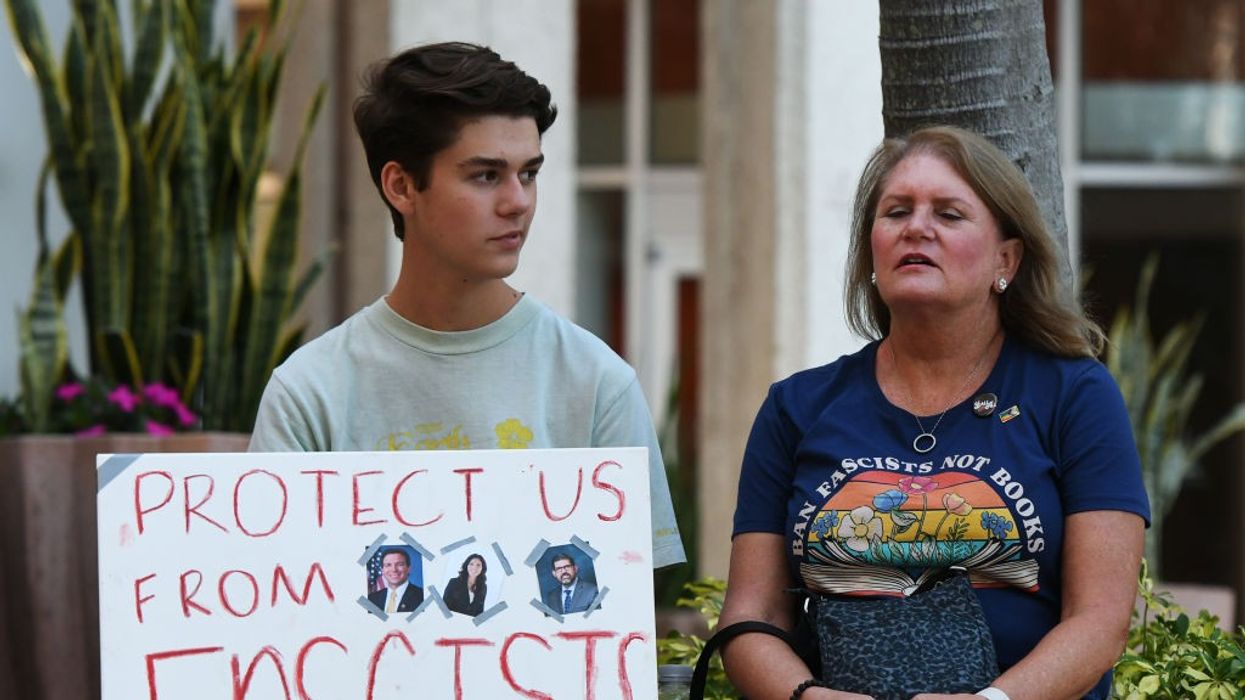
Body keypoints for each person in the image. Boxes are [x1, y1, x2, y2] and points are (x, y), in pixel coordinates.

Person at [719, 126, 1149, 700]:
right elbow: (749, 616)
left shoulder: (1074, 394)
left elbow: (1100, 622)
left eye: (949, 214)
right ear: (872, 249)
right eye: (897, 212)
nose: (917, 227)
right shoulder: (796, 407)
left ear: (1006, 259)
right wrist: (806, 697)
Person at [247, 42, 684, 570]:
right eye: (486, 175)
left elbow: (624, 618)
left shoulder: (595, 382)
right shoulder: (310, 391)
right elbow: (279, 602)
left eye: (529, 173)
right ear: (401, 186)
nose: (518, 201)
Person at [368, 549, 424, 613]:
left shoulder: (422, 597)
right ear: (382, 570)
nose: (394, 569)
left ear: (409, 569)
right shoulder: (371, 599)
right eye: (388, 565)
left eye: (399, 564)